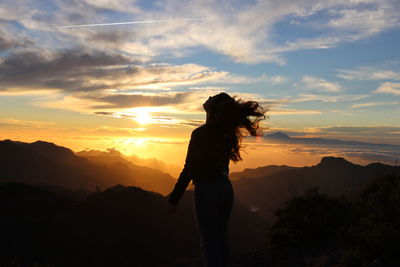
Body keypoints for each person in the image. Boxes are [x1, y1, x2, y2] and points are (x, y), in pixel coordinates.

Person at [167, 92, 266, 267]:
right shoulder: (227, 133)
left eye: (212, 98)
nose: (208, 97)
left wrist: (174, 198)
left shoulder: (200, 134)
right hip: (225, 188)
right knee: (221, 238)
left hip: (207, 191)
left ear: (213, 109)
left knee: (210, 242)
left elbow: (189, 168)